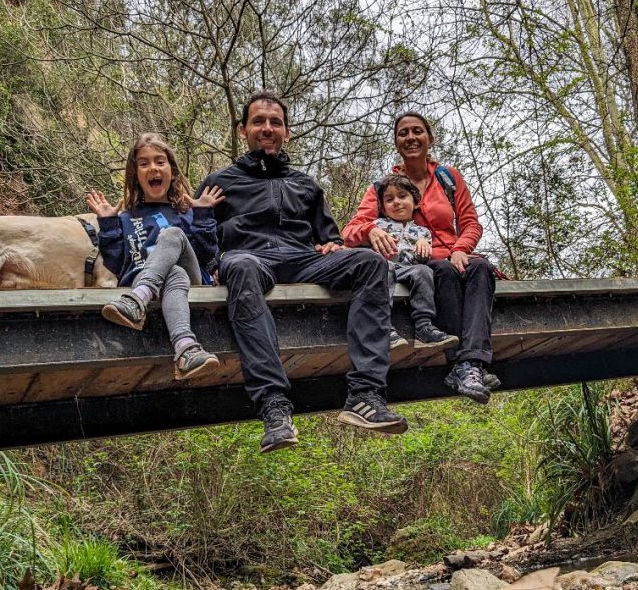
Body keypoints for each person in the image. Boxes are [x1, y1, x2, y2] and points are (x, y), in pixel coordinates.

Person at [195, 91, 408, 453]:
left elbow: (329, 236)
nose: (267, 128)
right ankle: (274, 408)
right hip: (249, 259)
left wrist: (332, 244)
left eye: (275, 122)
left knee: (370, 262)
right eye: (259, 121)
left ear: (287, 132)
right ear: (243, 129)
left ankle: (365, 395)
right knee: (241, 266)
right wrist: (212, 263)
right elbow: (199, 236)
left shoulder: (305, 184)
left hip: (302, 259)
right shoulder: (220, 182)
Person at [342, 112, 499, 404]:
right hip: (421, 263)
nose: (411, 137)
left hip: (455, 254)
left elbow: (471, 223)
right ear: (397, 143)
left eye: (417, 131)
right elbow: (351, 231)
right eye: (403, 133)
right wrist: (370, 230)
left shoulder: (448, 177)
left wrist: (461, 248)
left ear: (429, 138)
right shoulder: (384, 187)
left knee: (481, 268)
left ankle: (470, 364)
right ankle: (462, 362)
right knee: (445, 273)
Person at [89, 133, 225, 381]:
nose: (153, 168)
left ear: (171, 171)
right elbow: (116, 262)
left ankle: (138, 299)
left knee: (172, 235)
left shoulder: (185, 213)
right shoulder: (125, 218)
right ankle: (185, 349)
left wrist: (203, 214)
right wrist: (108, 223)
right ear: (135, 175)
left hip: (190, 285)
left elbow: (206, 255)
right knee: (174, 272)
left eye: (160, 161)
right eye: (144, 163)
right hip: (151, 278)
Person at [365, 174, 459, 351]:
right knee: (383, 269)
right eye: (389, 199)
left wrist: (424, 247)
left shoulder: (422, 232)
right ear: (383, 208)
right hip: (386, 267)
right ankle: (384, 327)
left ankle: (424, 325)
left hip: (408, 270)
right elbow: (360, 245)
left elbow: (421, 259)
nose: (397, 202)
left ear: (415, 203)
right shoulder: (377, 225)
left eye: (402, 196)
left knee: (424, 270)